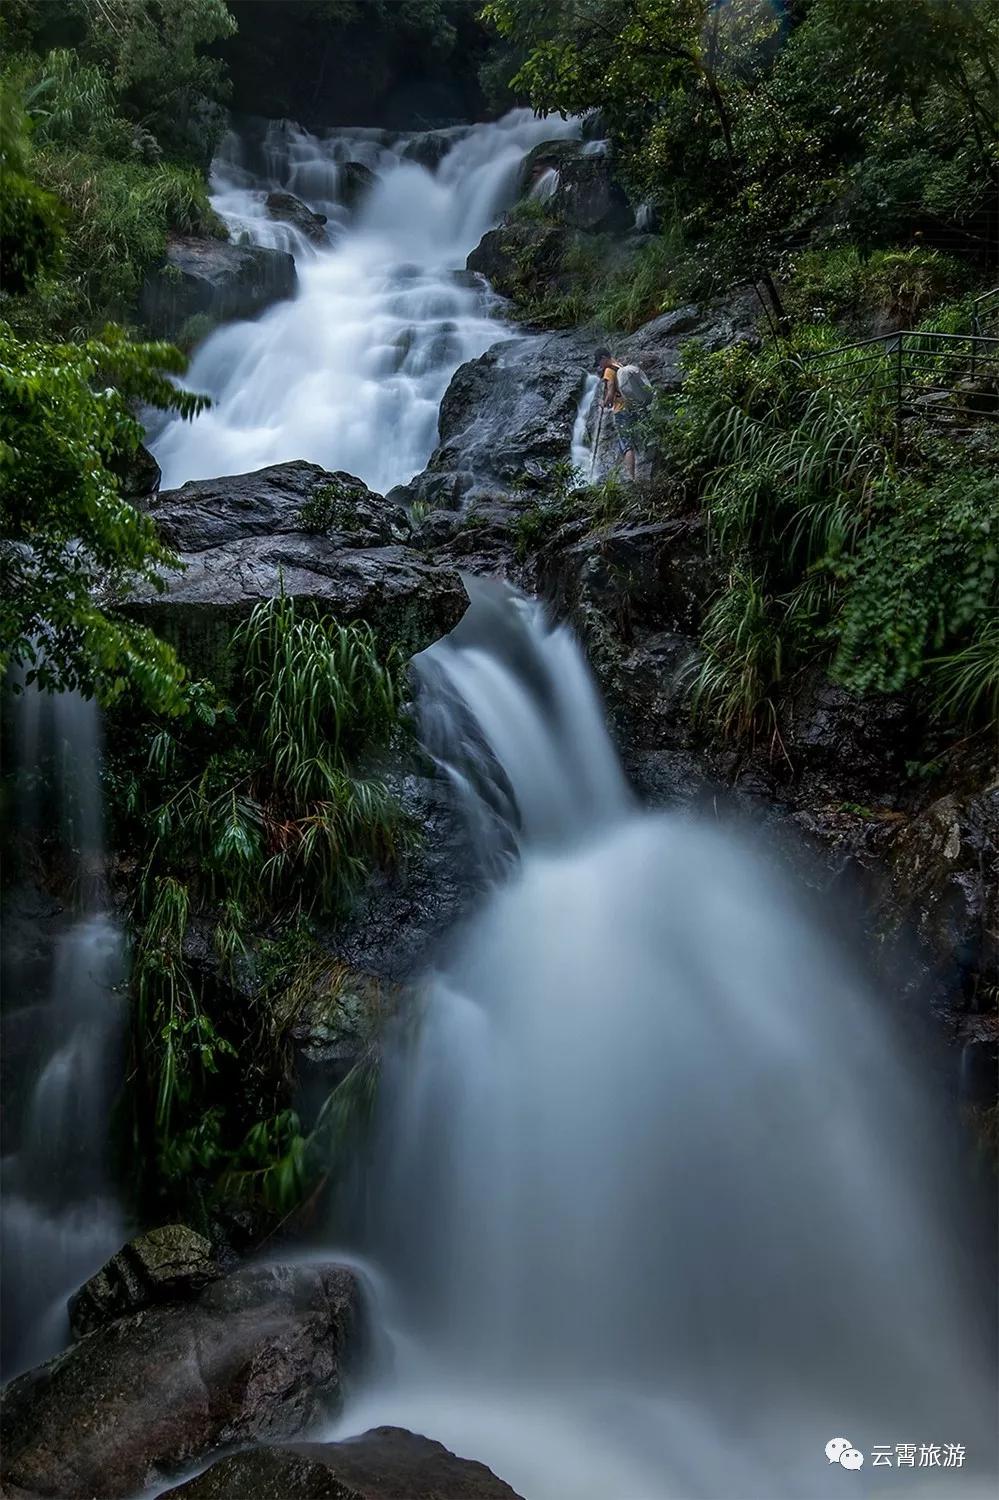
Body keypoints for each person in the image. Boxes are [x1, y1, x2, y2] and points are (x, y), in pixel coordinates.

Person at [594, 348, 639, 481]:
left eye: (599, 362)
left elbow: (611, 390)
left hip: (621, 410)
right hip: (632, 407)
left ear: (603, 358)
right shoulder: (620, 366)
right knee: (627, 442)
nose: (599, 366)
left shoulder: (609, 370)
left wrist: (605, 403)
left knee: (626, 444)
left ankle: (631, 478)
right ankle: (625, 474)